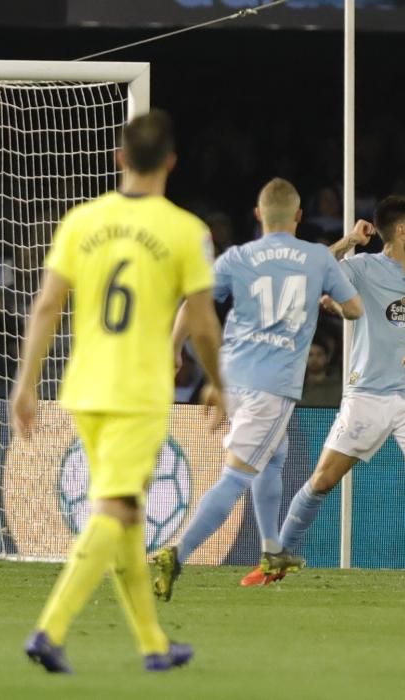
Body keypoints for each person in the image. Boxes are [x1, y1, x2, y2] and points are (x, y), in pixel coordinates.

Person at [10, 110, 225, 673]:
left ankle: (154, 645)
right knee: (116, 507)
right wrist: (220, 383)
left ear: (118, 158)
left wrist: (25, 384)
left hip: (83, 387)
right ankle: (50, 630)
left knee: (127, 513)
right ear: (171, 162)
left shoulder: (82, 220)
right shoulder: (186, 230)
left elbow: (47, 305)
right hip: (137, 391)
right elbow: (202, 323)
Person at [151, 178, 364, 601]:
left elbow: (194, 302)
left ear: (258, 215)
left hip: (231, 377)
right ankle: (177, 552)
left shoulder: (238, 256)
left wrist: (174, 349)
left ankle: (271, 550)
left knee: (275, 457)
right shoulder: (316, 258)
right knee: (236, 475)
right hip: (271, 386)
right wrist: (328, 297)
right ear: (299, 216)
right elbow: (353, 308)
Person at [260, 195, 405, 590]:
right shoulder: (363, 268)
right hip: (367, 394)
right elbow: (314, 270)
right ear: (401, 231)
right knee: (322, 481)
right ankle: (278, 561)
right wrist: (349, 240)